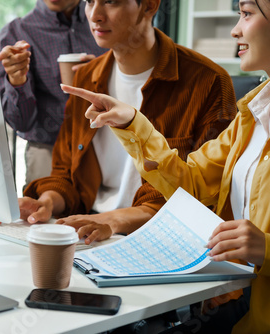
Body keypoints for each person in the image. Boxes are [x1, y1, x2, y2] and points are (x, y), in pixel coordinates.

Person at [61, 0, 270, 331]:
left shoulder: (217, 86)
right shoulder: (254, 111)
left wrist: (268, 250)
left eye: (246, 14)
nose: (235, 30)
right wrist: (133, 123)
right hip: (241, 304)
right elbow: (190, 183)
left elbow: (259, 244)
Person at [18, 0, 236, 245]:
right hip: (90, 234)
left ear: (150, 6)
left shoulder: (208, 81)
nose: (95, 15)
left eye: (111, 2)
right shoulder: (86, 77)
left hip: (161, 239)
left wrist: (114, 220)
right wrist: (46, 202)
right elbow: (65, 173)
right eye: (89, 1)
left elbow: (203, 191)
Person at [0, 0, 105, 186]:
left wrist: (103, 72)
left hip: (105, 146)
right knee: (44, 211)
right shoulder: (16, 33)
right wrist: (17, 81)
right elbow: (21, 123)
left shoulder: (105, 23)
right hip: (47, 152)